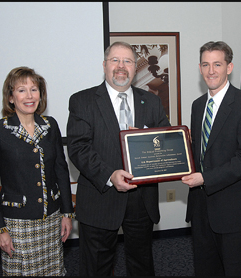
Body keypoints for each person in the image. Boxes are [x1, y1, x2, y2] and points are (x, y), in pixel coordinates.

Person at [66, 41, 170, 276]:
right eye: (115, 60)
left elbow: (164, 143)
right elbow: (78, 148)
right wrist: (110, 175)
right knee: (96, 268)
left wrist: (152, 142)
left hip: (141, 200)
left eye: (128, 61)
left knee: (141, 266)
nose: (121, 66)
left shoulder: (151, 101)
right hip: (100, 197)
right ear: (104, 65)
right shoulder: (82, 101)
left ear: (135, 68)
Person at [0, 66, 75, 276]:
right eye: (22, 90)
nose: (29, 96)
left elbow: (61, 170)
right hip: (16, 225)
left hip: (51, 220)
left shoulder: (51, 125)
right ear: (11, 97)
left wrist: (67, 213)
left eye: (34, 89)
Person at [182, 41, 241, 276]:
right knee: (206, 270)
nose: (211, 71)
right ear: (199, 68)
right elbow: (197, 151)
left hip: (233, 212)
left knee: (238, 271)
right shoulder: (198, 106)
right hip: (200, 209)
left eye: (217, 64)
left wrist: (205, 178)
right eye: (205, 64)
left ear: (230, 67)